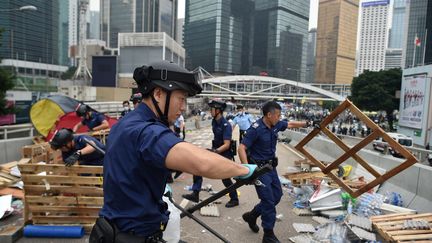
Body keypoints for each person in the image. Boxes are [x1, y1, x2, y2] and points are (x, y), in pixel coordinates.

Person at [90, 61, 257, 243]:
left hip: (114, 229)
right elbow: (202, 163)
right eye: (181, 98)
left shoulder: (124, 123)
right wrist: (243, 170)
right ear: (158, 93)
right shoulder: (148, 131)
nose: (183, 107)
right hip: (135, 234)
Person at [238, 101, 316, 243]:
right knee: (268, 200)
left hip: (271, 168)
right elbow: (241, 148)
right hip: (259, 170)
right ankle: (268, 234)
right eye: (278, 115)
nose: (279, 118)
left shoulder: (276, 124)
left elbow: (290, 124)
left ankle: (252, 215)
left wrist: (308, 123)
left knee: (277, 196)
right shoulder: (255, 129)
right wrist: (247, 170)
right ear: (269, 115)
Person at [182, 99, 239, 208]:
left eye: (212, 109)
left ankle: (234, 199)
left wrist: (215, 151)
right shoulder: (214, 121)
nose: (210, 111)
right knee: (198, 166)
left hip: (224, 154)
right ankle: (195, 193)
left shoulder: (226, 125)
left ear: (218, 110)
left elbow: (227, 144)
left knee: (225, 178)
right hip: (215, 151)